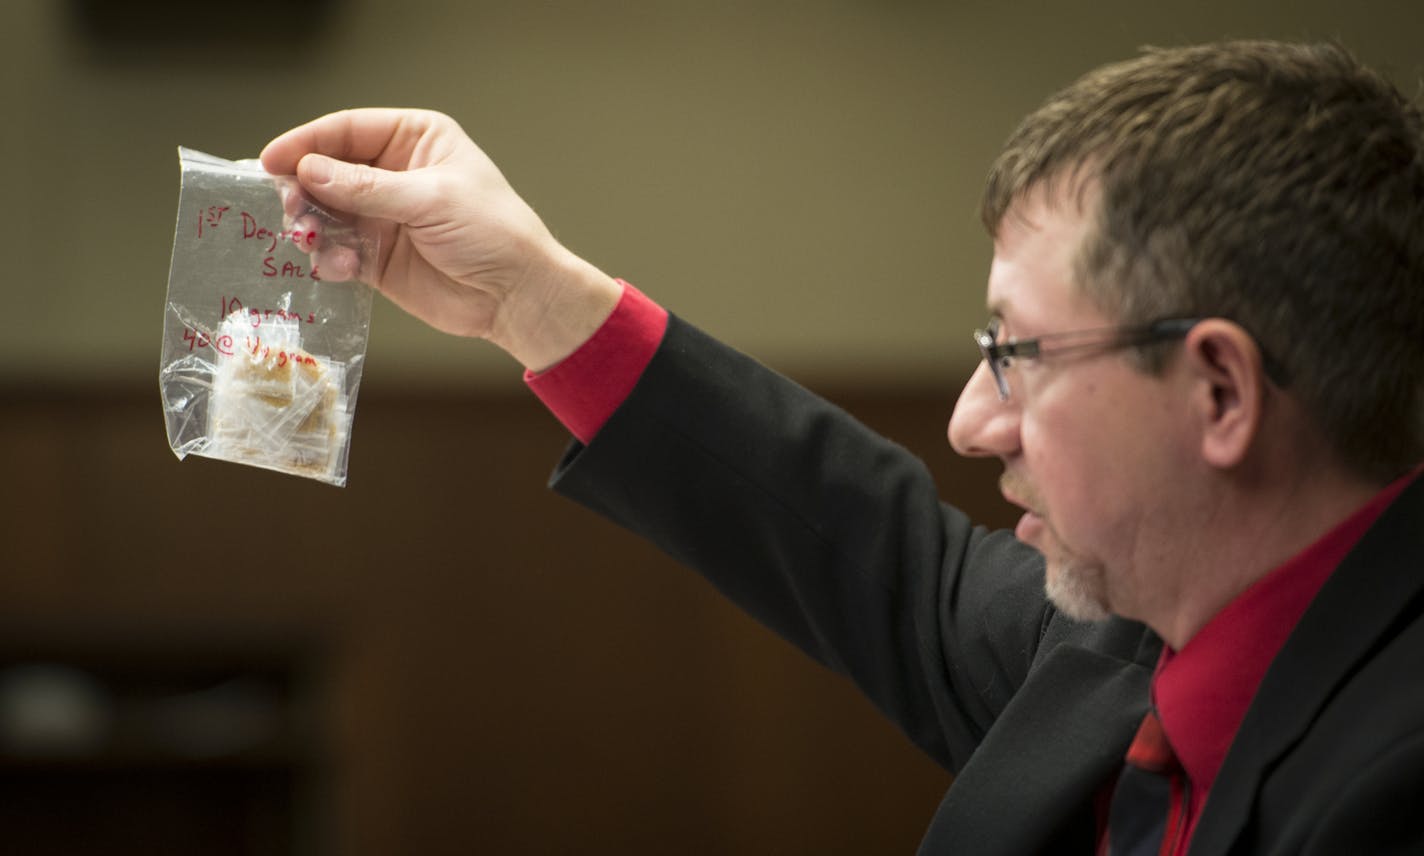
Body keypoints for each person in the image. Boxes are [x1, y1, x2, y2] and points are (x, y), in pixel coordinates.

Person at [261, 39, 1424, 855]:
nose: (973, 420)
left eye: (1018, 352)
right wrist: (529, 297)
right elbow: (875, 553)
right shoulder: (1126, 637)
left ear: (1218, 388)